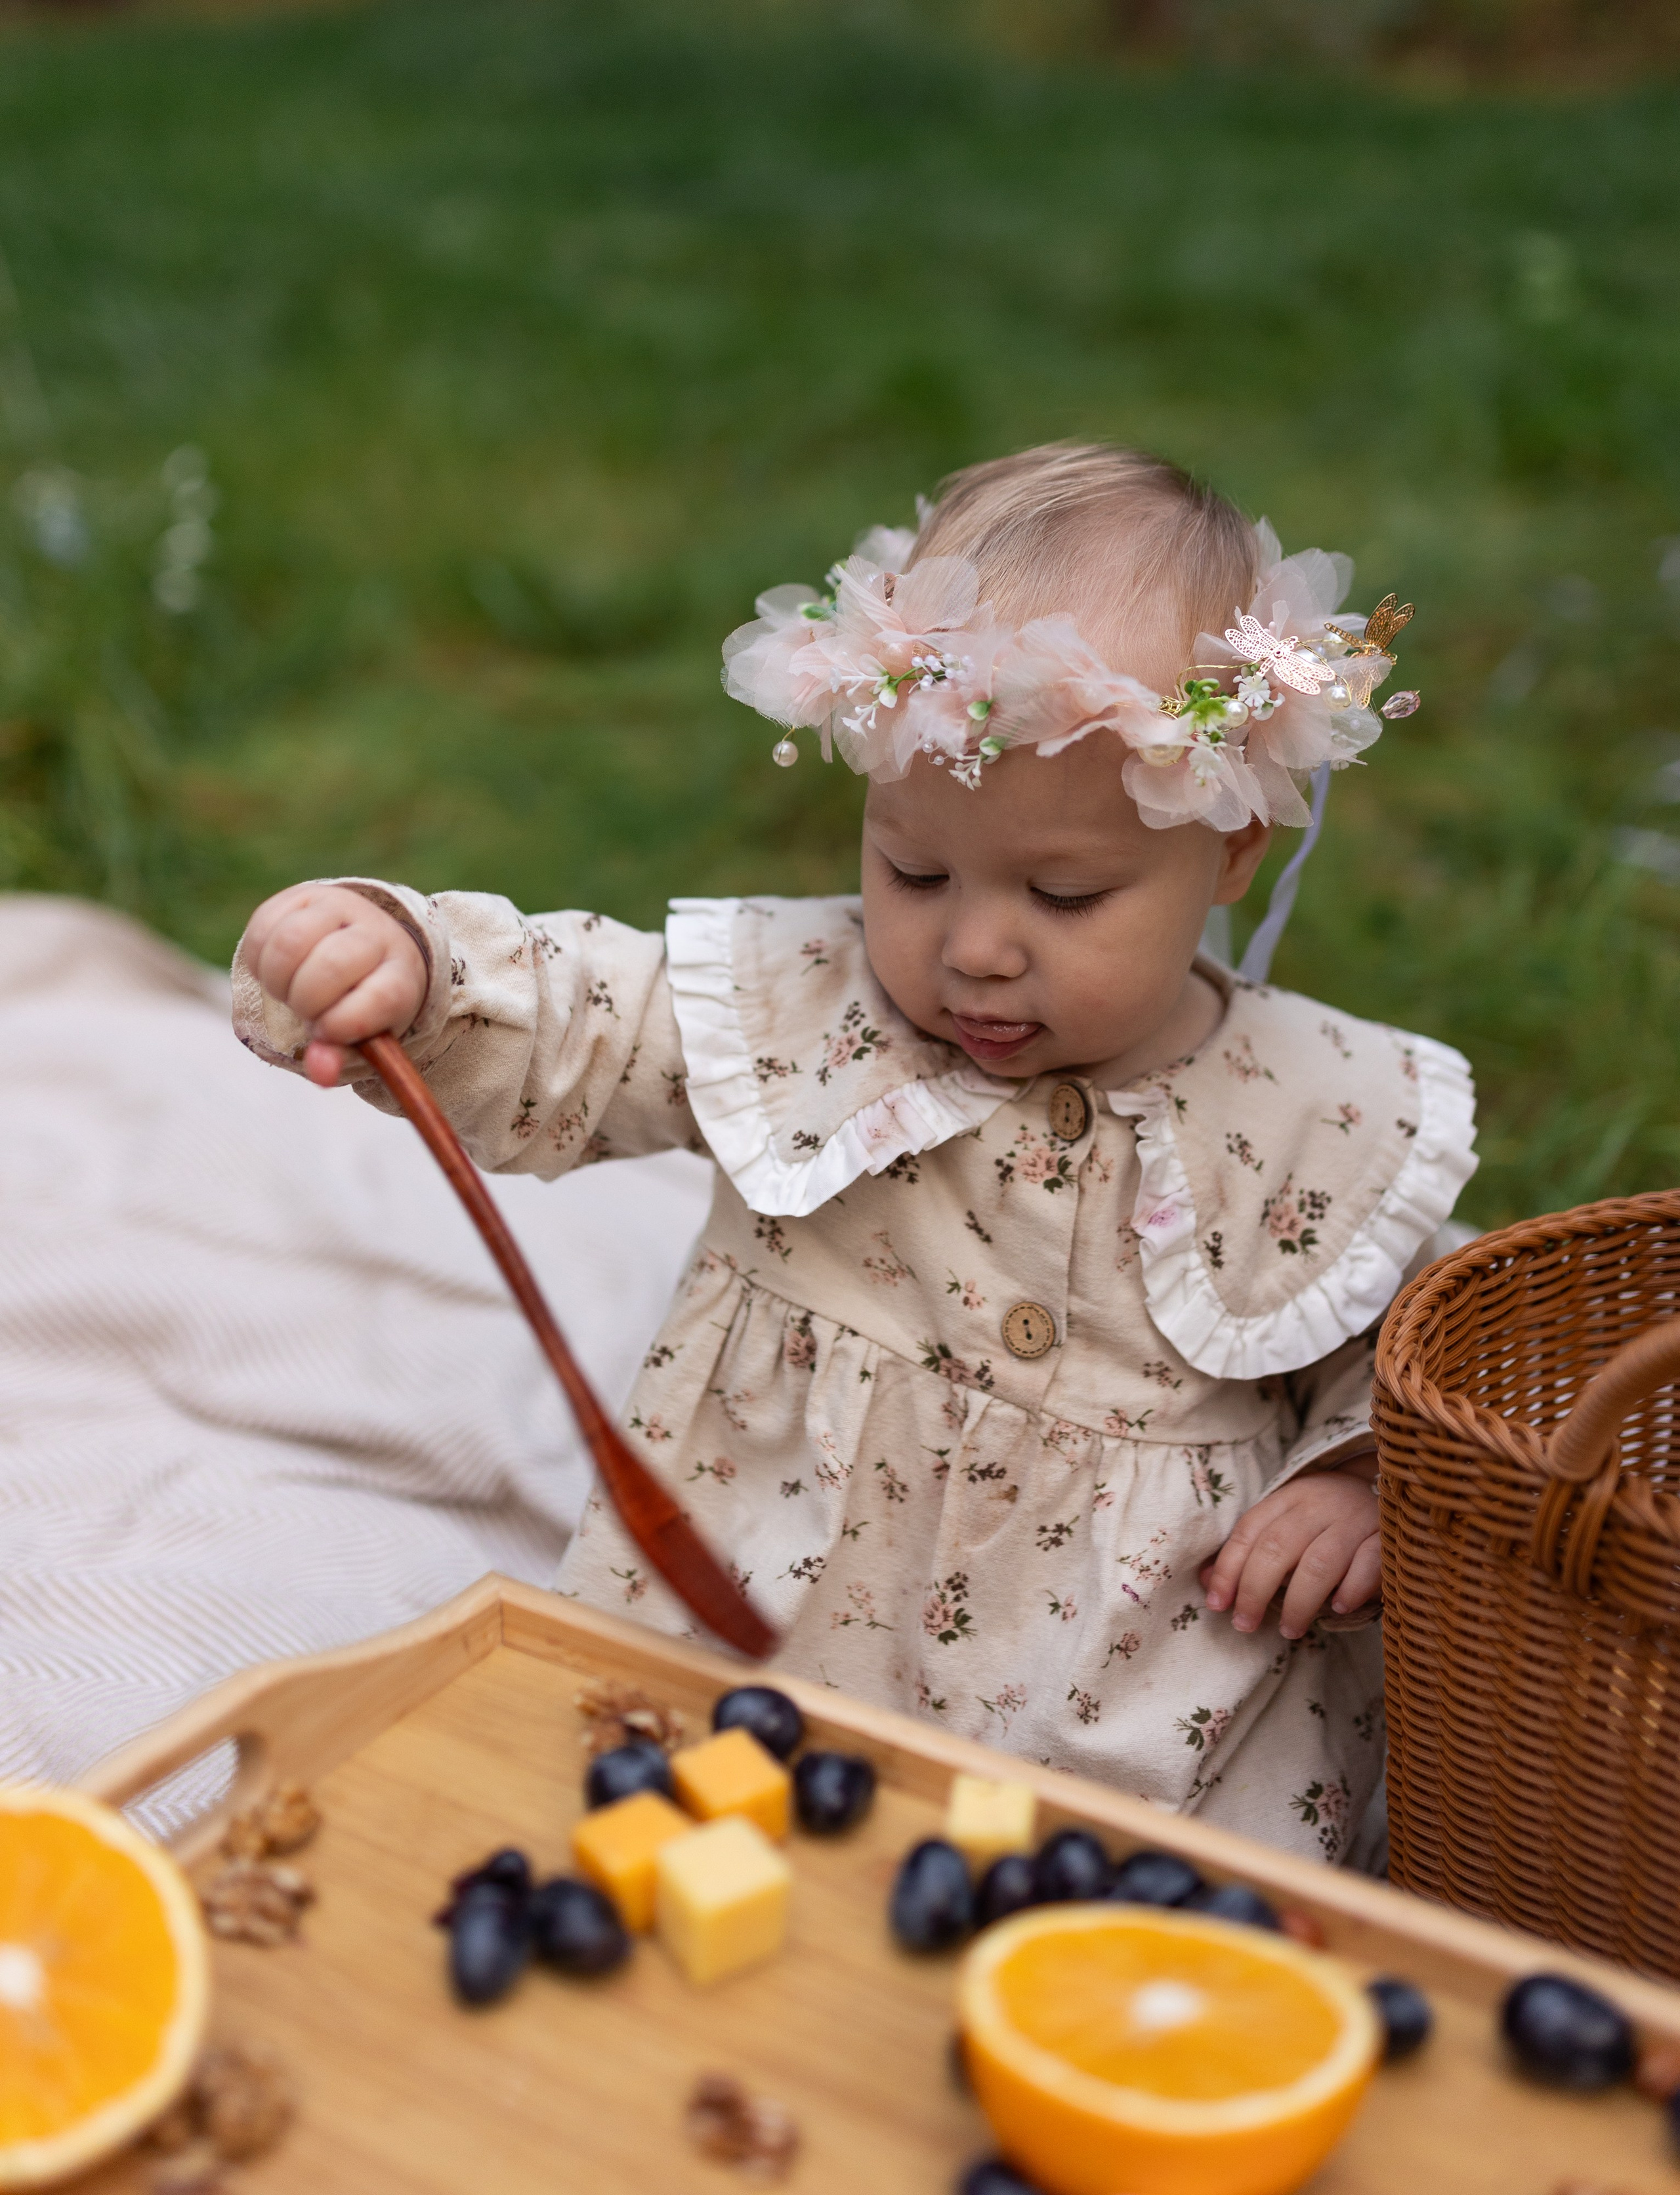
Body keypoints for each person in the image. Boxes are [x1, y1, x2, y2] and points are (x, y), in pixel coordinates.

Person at [232, 443, 1475, 1863]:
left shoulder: (1320, 1109)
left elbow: (1421, 1339)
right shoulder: (806, 1009)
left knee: (1181, 1902)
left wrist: (1352, 1478)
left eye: (1066, 894)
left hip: (1146, 1693)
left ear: (1231, 845)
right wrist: (414, 965)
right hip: (783, 1622)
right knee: (654, 1838)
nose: (975, 946)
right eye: (914, 869)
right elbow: (590, 1023)